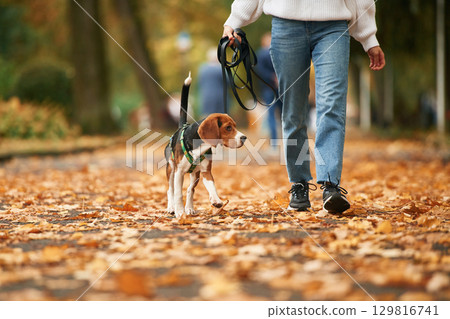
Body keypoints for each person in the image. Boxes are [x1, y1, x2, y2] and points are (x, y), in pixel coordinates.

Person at [223, 0, 385, 213]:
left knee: (331, 105)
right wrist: (234, 21)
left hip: (333, 25)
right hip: (286, 25)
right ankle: (299, 184)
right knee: (293, 110)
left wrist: (368, 37)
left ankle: (330, 186)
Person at [255, 32, 282, 142]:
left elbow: (259, 71)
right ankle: (286, 140)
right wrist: (278, 78)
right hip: (281, 86)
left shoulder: (260, 54)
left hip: (267, 88)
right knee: (283, 114)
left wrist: (271, 77)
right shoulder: (280, 52)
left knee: (271, 114)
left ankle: (274, 141)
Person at [198, 48, 227, 116]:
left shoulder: (202, 69)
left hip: (206, 96)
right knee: (221, 118)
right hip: (220, 97)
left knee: (207, 117)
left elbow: (200, 82)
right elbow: (228, 82)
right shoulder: (221, 69)